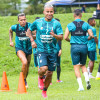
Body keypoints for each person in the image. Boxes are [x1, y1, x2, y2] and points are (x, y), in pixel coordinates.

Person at [26, 4, 63, 98]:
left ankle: (44, 91)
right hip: (41, 50)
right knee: (43, 68)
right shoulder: (37, 22)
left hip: (52, 51)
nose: (49, 13)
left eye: (51, 11)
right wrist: (32, 41)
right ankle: (40, 77)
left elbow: (61, 37)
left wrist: (55, 35)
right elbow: (28, 31)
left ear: (53, 12)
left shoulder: (56, 24)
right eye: (47, 11)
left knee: (50, 73)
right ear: (44, 12)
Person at [64, 9, 94, 91]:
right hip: (84, 46)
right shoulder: (86, 24)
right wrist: (86, 39)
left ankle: (81, 86)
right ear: (81, 15)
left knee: (76, 67)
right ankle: (87, 80)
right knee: (83, 65)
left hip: (74, 47)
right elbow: (91, 35)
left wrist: (71, 40)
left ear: (74, 15)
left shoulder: (70, 25)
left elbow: (65, 37)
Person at [9, 13, 32, 89]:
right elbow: (10, 30)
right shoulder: (15, 27)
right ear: (18, 21)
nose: (23, 21)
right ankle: (23, 80)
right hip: (19, 48)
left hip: (28, 48)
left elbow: (36, 34)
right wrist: (11, 41)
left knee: (27, 66)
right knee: (24, 62)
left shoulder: (30, 26)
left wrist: (31, 36)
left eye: (24, 19)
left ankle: (25, 79)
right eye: (21, 20)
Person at [55, 18, 62, 83]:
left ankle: (58, 79)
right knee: (50, 65)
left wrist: (60, 49)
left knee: (58, 64)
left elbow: (60, 40)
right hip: (52, 50)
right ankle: (50, 80)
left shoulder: (59, 30)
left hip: (57, 50)